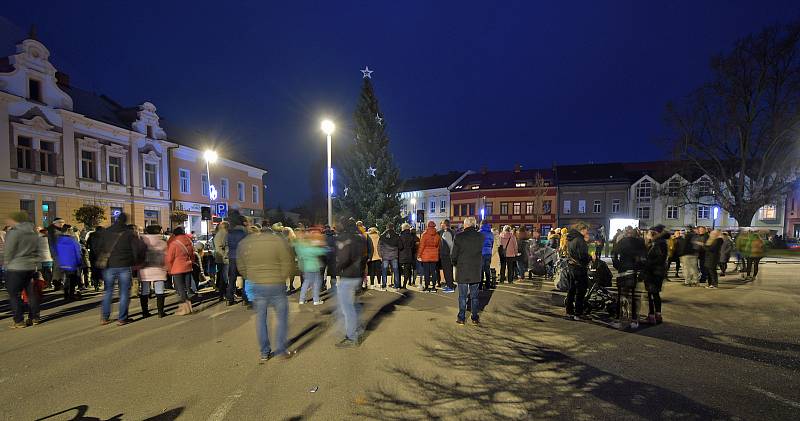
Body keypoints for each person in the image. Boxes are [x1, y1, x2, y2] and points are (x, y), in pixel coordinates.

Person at [237, 223, 295, 362]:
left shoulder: (247, 243)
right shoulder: (278, 241)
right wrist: (283, 277)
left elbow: (241, 264)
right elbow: (288, 261)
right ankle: (281, 348)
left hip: (258, 284)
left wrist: (250, 276)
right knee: (282, 318)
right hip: (276, 284)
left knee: (261, 319)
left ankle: (264, 352)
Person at [99, 213, 144, 326]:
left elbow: (100, 247)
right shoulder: (129, 233)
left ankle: (105, 318)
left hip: (109, 265)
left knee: (108, 291)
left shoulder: (106, 231)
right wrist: (135, 261)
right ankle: (122, 318)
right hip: (124, 264)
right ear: (125, 221)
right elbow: (136, 249)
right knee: (124, 292)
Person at [335, 218, 368, 348]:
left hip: (348, 276)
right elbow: (365, 255)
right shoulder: (361, 237)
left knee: (347, 308)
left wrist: (337, 269)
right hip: (357, 275)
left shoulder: (345, 237)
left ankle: (351, 337)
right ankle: (354, 330)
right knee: (351, 306)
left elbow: (344, 258)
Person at [4, 212, 41, 327]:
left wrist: (6, 262)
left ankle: (19, 320)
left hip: (16, 267)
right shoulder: (33, 232)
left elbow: (9, 250)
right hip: (30, 266)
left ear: (15, 220)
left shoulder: (14, 232)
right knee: (31, 293)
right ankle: (34, 317)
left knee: (14, 294)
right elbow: (37, 249)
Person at [611, 227, 647, 329]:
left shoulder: (622, 241)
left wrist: (617, 265)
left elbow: (614, 254)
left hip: (622, 271)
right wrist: (639, 268)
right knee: (635, 297)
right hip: (633, 272)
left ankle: (618, 319)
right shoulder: (639, 242)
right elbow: (644, 258)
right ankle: (634, 320)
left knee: (621, 296)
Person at [451, 217, 483, 325]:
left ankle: (461, 317)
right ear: (474, 225)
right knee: (474, 296)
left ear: (466, 225)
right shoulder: (480, 236)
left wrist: (455, 263)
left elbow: (454, 255)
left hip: (463, 269)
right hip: (475, 269)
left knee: (462, 296)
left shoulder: (459, 237)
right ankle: (474, 317)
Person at [139, 225, 168, 318]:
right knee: (159, 291)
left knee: (144, 291)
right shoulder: (162, 243)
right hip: (159, 269)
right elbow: (166, 257)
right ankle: (160, 312)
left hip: (144, 269)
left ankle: (145, 312)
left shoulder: (142, 242)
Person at [563, 223, 591, 320]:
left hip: (571, 267)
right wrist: (590, 258)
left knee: (571, 289)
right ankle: (578, 313)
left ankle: (569, 311)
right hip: (579, 268)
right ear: (582, 230)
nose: (587, 232)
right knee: (581, 290)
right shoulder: (580, 240)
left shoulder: (571, 239)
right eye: (586, 230)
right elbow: (582, 255)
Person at [166, 227, 195, 316]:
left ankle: (184, 309)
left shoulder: (174, 243)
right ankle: (189, 307)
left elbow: (169, 258)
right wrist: (191, 262)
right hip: (188, 266)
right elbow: (192, 254)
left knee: (180, 289)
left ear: (175, 234)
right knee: (187, 287)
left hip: (177, 268)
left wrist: (169, 269)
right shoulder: (189, 241)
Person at [643, 225, 668, 324]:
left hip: (652, 272)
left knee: (651, 294)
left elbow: (654, 258)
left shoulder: (656, 244)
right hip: (659, 272)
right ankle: (658, 314)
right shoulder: (661, 243)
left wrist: (646, 263)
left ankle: (652, 315)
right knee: (655, 294)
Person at [295, 228, 327, 305]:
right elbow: (320, 251)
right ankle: (316, 300)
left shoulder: (300, 247)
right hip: (314, 267)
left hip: (306, 267)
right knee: (316, 283)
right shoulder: (309, 247)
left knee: (306, 283)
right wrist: (325, 248)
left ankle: (301, 300)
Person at [227, 212, 250, 306]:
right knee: (245, 278)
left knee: (232, 278)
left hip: (232, 257)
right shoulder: (245, 232)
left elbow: (228, 244)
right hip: (242, 257)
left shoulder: (230, 232)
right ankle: (245, 299)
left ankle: (230, 298)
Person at [55, 225, 83, 301]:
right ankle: (71, 294)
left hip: (63, 262)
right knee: (72, 279)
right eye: (70, 229)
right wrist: (79, 261)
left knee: (66, 279)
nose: (72, 231)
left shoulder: (59, 239)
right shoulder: (72, 239)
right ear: (68, 230)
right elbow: (77, 251)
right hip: (72, 262)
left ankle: (66, 294)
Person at [418, 221, 441, 293]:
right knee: (433, 272)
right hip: (434, 256)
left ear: (428, 226)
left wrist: (419, 255)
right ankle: (434, 287)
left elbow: (421, 246)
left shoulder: (424, 235)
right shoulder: (437, 235)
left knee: (426, 272)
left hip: (425, 256)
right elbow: (438, 246)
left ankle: (427, 287)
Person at [379, 225, 400, 290]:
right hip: (394, 255)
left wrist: (381, 254)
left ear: (387, 228)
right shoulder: (397, 235)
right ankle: (397, 285)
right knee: (395, 270)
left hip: (385, 256)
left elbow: (379, 246)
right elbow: (400, 245)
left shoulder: (382, 236)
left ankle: (384, 285)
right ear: (393, 228)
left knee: (384, 270)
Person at [437, 220, 456, 293]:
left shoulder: (446, 232)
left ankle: (450, 286)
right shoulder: (451, 232)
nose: (440, 225)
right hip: (447, 254)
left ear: (444, 224)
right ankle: (449, 284)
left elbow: (449, 244)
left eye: (441, 223)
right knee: (448, 270)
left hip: (446, 255)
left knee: (447, 270)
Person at [213, 221, 229, 301]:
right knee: (224, 277)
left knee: (221, 276)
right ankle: (225, 294)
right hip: (224, 259)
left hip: (219, 258)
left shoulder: (218, 234)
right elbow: (225, 247)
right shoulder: (224, 234)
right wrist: (226, 255)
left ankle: (222, 294)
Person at [398, 223, 416, 289]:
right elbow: (413, 247)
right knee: (407, 271)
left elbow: (400, 247)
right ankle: (404, 285)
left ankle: (399, 284)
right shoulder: (412, 237)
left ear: (403, 228)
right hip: (409, 256)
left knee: (399, 270)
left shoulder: (400, 236)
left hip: (401, 256)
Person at [321, 224, 338, 290]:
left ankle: (322, 286)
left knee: (322, 272)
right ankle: (333, 286)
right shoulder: (334, 236)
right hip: (332, 256)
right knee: (333, 271)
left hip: (323, 256)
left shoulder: (322, 237)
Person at [87, 226, 104, 291]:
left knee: (94, 270)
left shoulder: (91, 236)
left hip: (93, 256)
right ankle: (101, 282)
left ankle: (96, 284)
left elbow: (87, 245)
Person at [479, 221, 494, 289]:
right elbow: (492, 243)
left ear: (481, 224)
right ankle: (488, 284)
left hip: (481, 252)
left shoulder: (479, 232)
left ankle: (480, 285)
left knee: (481, 269)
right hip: (488, 252)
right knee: (487, 268)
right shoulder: (491, 233)